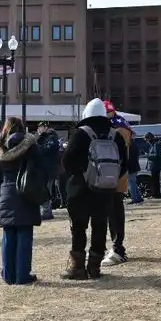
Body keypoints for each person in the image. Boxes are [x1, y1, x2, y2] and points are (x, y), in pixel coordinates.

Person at [60, 98, 128, 280]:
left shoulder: (80, 134)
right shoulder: (116, 135)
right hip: (105, 190)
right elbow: (124, 164)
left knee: (79, 227)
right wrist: (108, 179)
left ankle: (77, 269)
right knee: (100, 226)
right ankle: (95, 268)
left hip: (79, 189)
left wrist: (80, 175)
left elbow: (67, 161)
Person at [0, 117, 41, 285]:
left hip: (6, 191)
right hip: (26, 191)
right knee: (25, 233)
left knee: (8, 235)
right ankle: (22, 275)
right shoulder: (31, 146)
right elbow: (42, 166)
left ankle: (8, 275)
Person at [101, 101, 139, 267]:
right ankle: (113, 247)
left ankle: (118, 249)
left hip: (115, 174)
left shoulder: (118, 127)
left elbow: (121, 154)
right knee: (110, 211)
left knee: (115, 210)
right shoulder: (119, 124)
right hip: (112, 174)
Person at [34, 122, 61, 221]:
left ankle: (46, 212)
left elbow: (48, 150)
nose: (39, 129)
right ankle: (44, 210)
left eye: (40, 127)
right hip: (42, 168)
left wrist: (37, 148)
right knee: (43, 189)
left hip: (49, 168)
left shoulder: (51, 137)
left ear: (45, 127)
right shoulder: (42, 137)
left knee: (47, 190)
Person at [144, 132, 161, 199]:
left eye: (146, 140)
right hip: (155, 166)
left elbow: (156, 155)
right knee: (155, 181)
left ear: (149, 138)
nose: (146, 141)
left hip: (155, 166)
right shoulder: (154, 143)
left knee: (155, 181)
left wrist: (147, 155)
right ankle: (156, 194)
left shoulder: (155, 144)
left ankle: (156, 195)